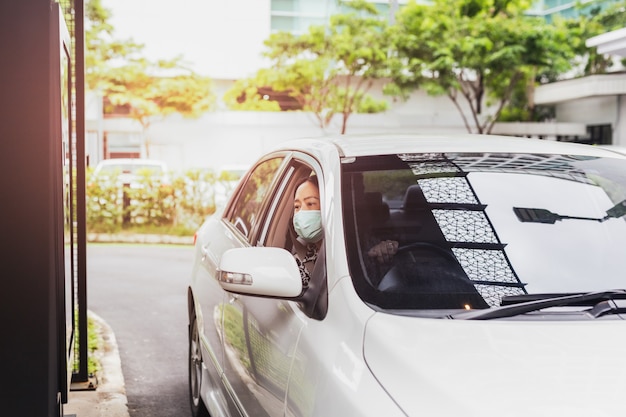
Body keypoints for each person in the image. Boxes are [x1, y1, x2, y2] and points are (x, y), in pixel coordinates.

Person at [291, 175, 398, 290]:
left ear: (331, 206)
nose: (301, 213)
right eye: (297, 206)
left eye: (310, 204)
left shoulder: (364, 245)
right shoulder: (296, 261)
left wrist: (389, 253)